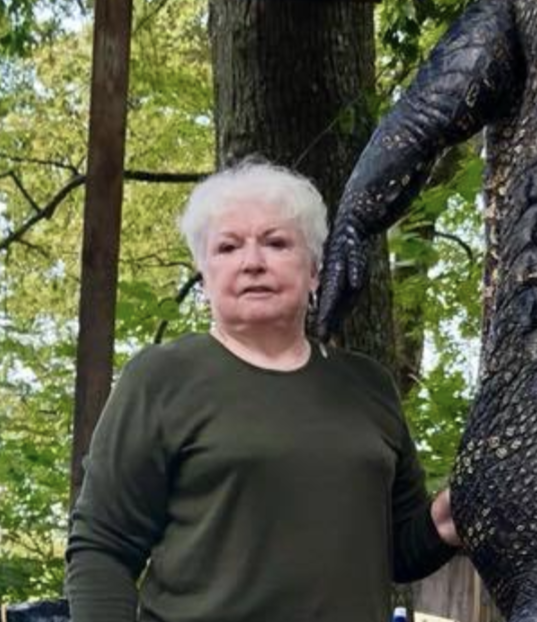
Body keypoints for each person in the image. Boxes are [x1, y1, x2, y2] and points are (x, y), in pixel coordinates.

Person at [65, 159, 459, 622]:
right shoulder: (161, 378)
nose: (252, 262)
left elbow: (400, 549)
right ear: (204, 275)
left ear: (314, 269)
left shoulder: (369, 386)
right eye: (228, 247)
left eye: (276, 243)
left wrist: (456, 513)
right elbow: (102, 548)